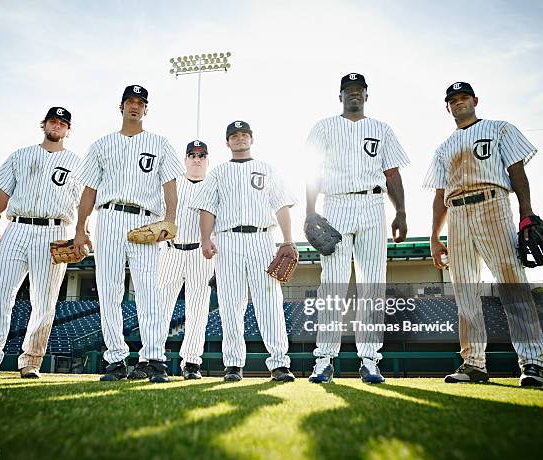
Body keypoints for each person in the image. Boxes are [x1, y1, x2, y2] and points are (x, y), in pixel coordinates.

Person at [424, 81, 543, 386]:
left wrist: (526, 213)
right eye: (453, 99)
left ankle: (532, 362)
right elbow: (439, 196)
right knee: (465, 293)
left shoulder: (499, 128)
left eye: (464, 97)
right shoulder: (443, 147)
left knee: (512, 284)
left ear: (475, 100)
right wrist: (435, 237)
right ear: (447, 107)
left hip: (493, 202)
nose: (459, 102)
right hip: (458, 213)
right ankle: (473, 363)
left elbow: (517, 172)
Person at [0, 107, 81, 379]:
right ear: (44, 124)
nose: (57, 126)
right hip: (16, 227)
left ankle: (31, 361)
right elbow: (3, 191)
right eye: (53, 121)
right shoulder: (21, 155)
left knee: (45, 301)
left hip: (54, 230)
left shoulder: (76, 162)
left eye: (63, 123)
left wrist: (80, 233)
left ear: (68, 130)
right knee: (0, 293)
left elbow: (82, 202)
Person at [305, 73, 410, 384]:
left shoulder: (381, 128)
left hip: (373, 205)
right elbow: (311, 172)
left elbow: (391, 173)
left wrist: (401, 211)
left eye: (359, 90)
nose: (354, 95)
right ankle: (324, 359)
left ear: (367, 95)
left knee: (373, 285)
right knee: (333, 284)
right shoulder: (324, 127)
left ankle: (370, 360)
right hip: (335, 204)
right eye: (348, 91)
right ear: (340, 97)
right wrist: (310, 212)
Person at [74, 85, 183, 383]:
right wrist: (81, 227)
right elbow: (89, 190)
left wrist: (170, 219)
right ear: (120, 107)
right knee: (109, 290)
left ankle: (154, 359)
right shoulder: (101, 144)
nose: (135, 106)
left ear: (146, 109)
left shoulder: (160, 143)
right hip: (107, 217)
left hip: (145, 221)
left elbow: (170, 184)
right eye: (130, 101)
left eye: (140, 102)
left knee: (149, 291)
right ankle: (115, 360)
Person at [191, 121, 297, 382]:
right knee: (230, 304)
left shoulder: (267, 169)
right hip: (228, 239)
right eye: (234, 136)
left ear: (252, 139)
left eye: (244, 134)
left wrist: (287, 240)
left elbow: (282, 205)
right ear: (227, 143)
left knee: (269, 302)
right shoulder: (217, 172)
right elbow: (207, 208)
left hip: (262, 238)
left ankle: (279, 364)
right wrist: (206, 239)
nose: (239, 138)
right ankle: (234, 365)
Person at [157, 140, 215, 380]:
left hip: (200, 254)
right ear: (185, 159)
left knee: (198, 310)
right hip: (171, 250)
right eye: (192, 154)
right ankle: (150, 357)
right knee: (160, 307)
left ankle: (191, 361)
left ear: (207, 160)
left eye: (202, 155)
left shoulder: (214, 185)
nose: (197, 159)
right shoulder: (172, 183)